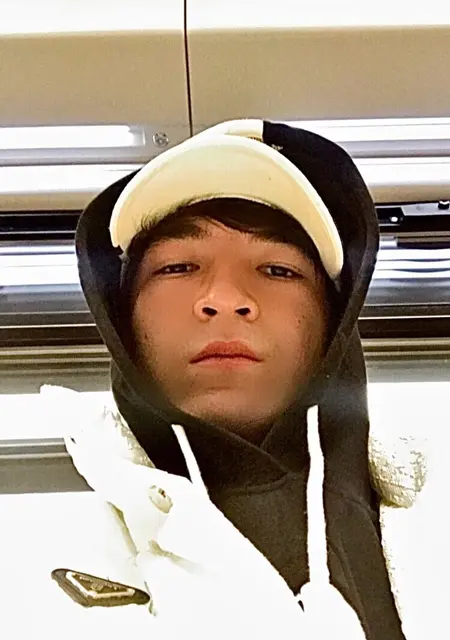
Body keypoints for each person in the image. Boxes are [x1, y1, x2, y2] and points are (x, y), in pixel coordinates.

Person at [38, 119, 424, 638]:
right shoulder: (41, 572)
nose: (223, 298)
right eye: (178, 267)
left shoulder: (433, 527)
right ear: (122, 317)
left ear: (335, 322)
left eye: (278, 270)